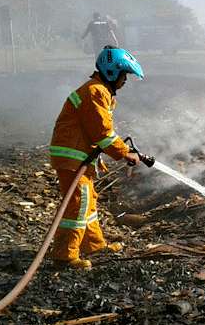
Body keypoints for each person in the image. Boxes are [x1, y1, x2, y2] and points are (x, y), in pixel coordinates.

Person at [48, 46, 144, 269]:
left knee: (87, 203)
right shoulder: (95, 92)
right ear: (111, 72)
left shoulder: (100, 91)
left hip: (79, 158)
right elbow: (102, 133)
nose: (125, 80)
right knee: (77, 206)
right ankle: (65, 256)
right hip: (73, 159)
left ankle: (93, 245)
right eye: (124, 75)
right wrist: (124, 153)